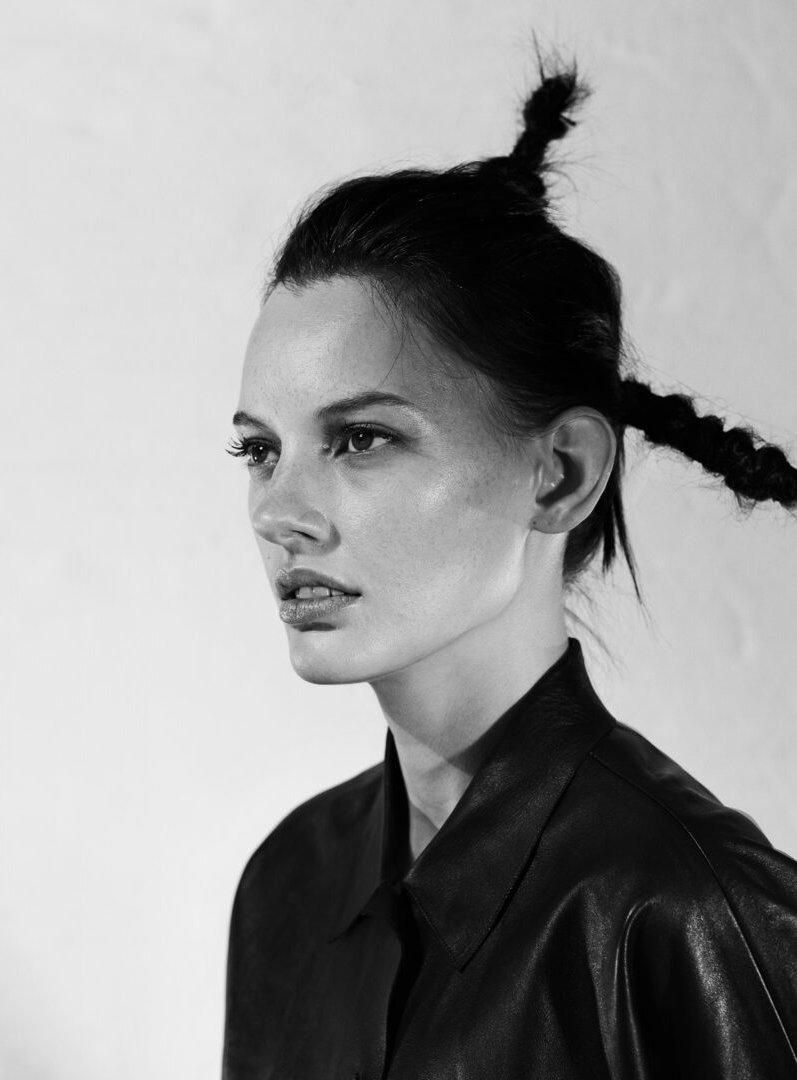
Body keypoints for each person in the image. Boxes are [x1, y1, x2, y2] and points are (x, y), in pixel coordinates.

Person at [221, 47, 797, 1079]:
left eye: (361, 440)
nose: (281, 512)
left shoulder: (698, 918)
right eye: (261, 449)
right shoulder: (288, 888)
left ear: (558, 474)